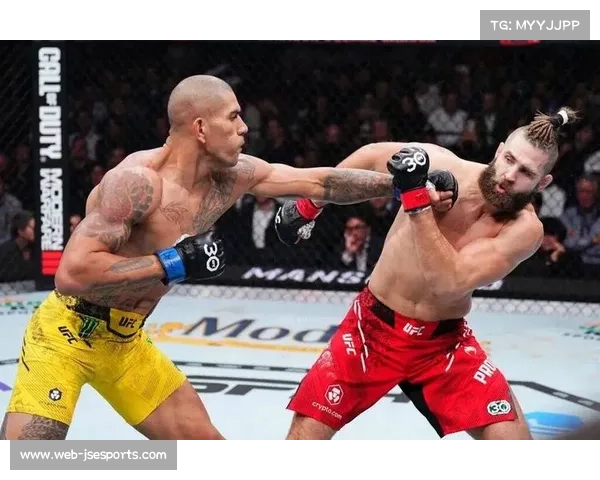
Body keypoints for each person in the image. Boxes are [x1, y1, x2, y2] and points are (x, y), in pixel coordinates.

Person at [0, 74, 400, 441]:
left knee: (209, 453)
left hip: (126, 342)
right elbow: (72, 273)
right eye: (234, 116)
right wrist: (170, 263)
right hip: (67, 333)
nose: (245, 127)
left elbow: (320, 181)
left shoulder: (232, 178)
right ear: (201, 128)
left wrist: (398, 184)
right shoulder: (138, 183)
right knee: (29, 461)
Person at [274, 107, 578, 440]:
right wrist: (310, 206)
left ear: (543, 182)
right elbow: (371, 156)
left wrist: (416, 200)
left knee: (514, 443)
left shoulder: (525, 229)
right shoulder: (444, 164)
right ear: (498, 150)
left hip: (442, 343)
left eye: (525, 172)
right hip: (371, 329)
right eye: (509, 160)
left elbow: (451, 282)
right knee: (303, 440)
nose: (509, 175)